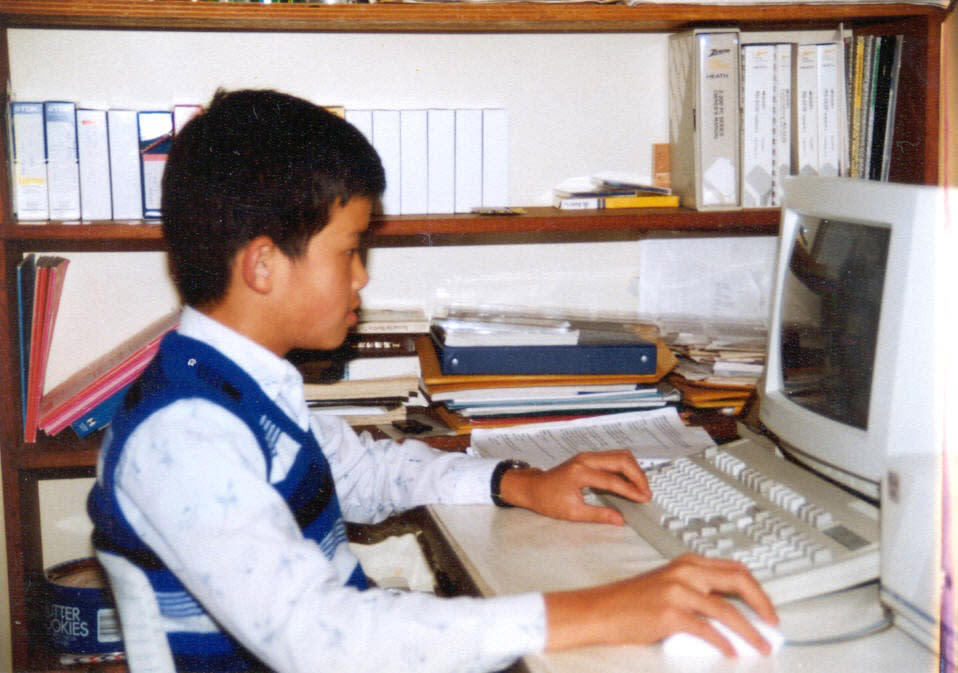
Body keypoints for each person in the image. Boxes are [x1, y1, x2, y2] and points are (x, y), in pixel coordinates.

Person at [88, 88, 778, 673]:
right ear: (264, 265)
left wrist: (516, 482)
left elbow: (367, 473)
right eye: (350, 249)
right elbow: (319, 638)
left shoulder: (239, 387)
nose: (361, 275)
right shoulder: (184, 432)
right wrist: (596, 610)